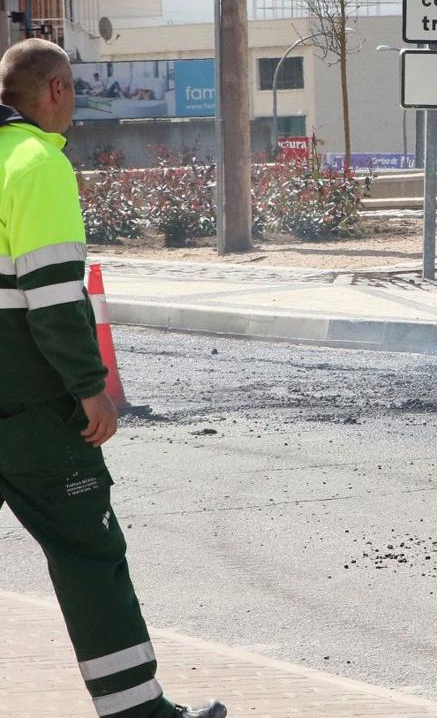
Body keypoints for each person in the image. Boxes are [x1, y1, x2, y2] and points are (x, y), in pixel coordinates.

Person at [0, 39, 225, 718]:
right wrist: (88, 386)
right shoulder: (36, 163)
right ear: (59, 91)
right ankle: (136, 712)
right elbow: (53, 293)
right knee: (87, 552)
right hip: (32, 409)